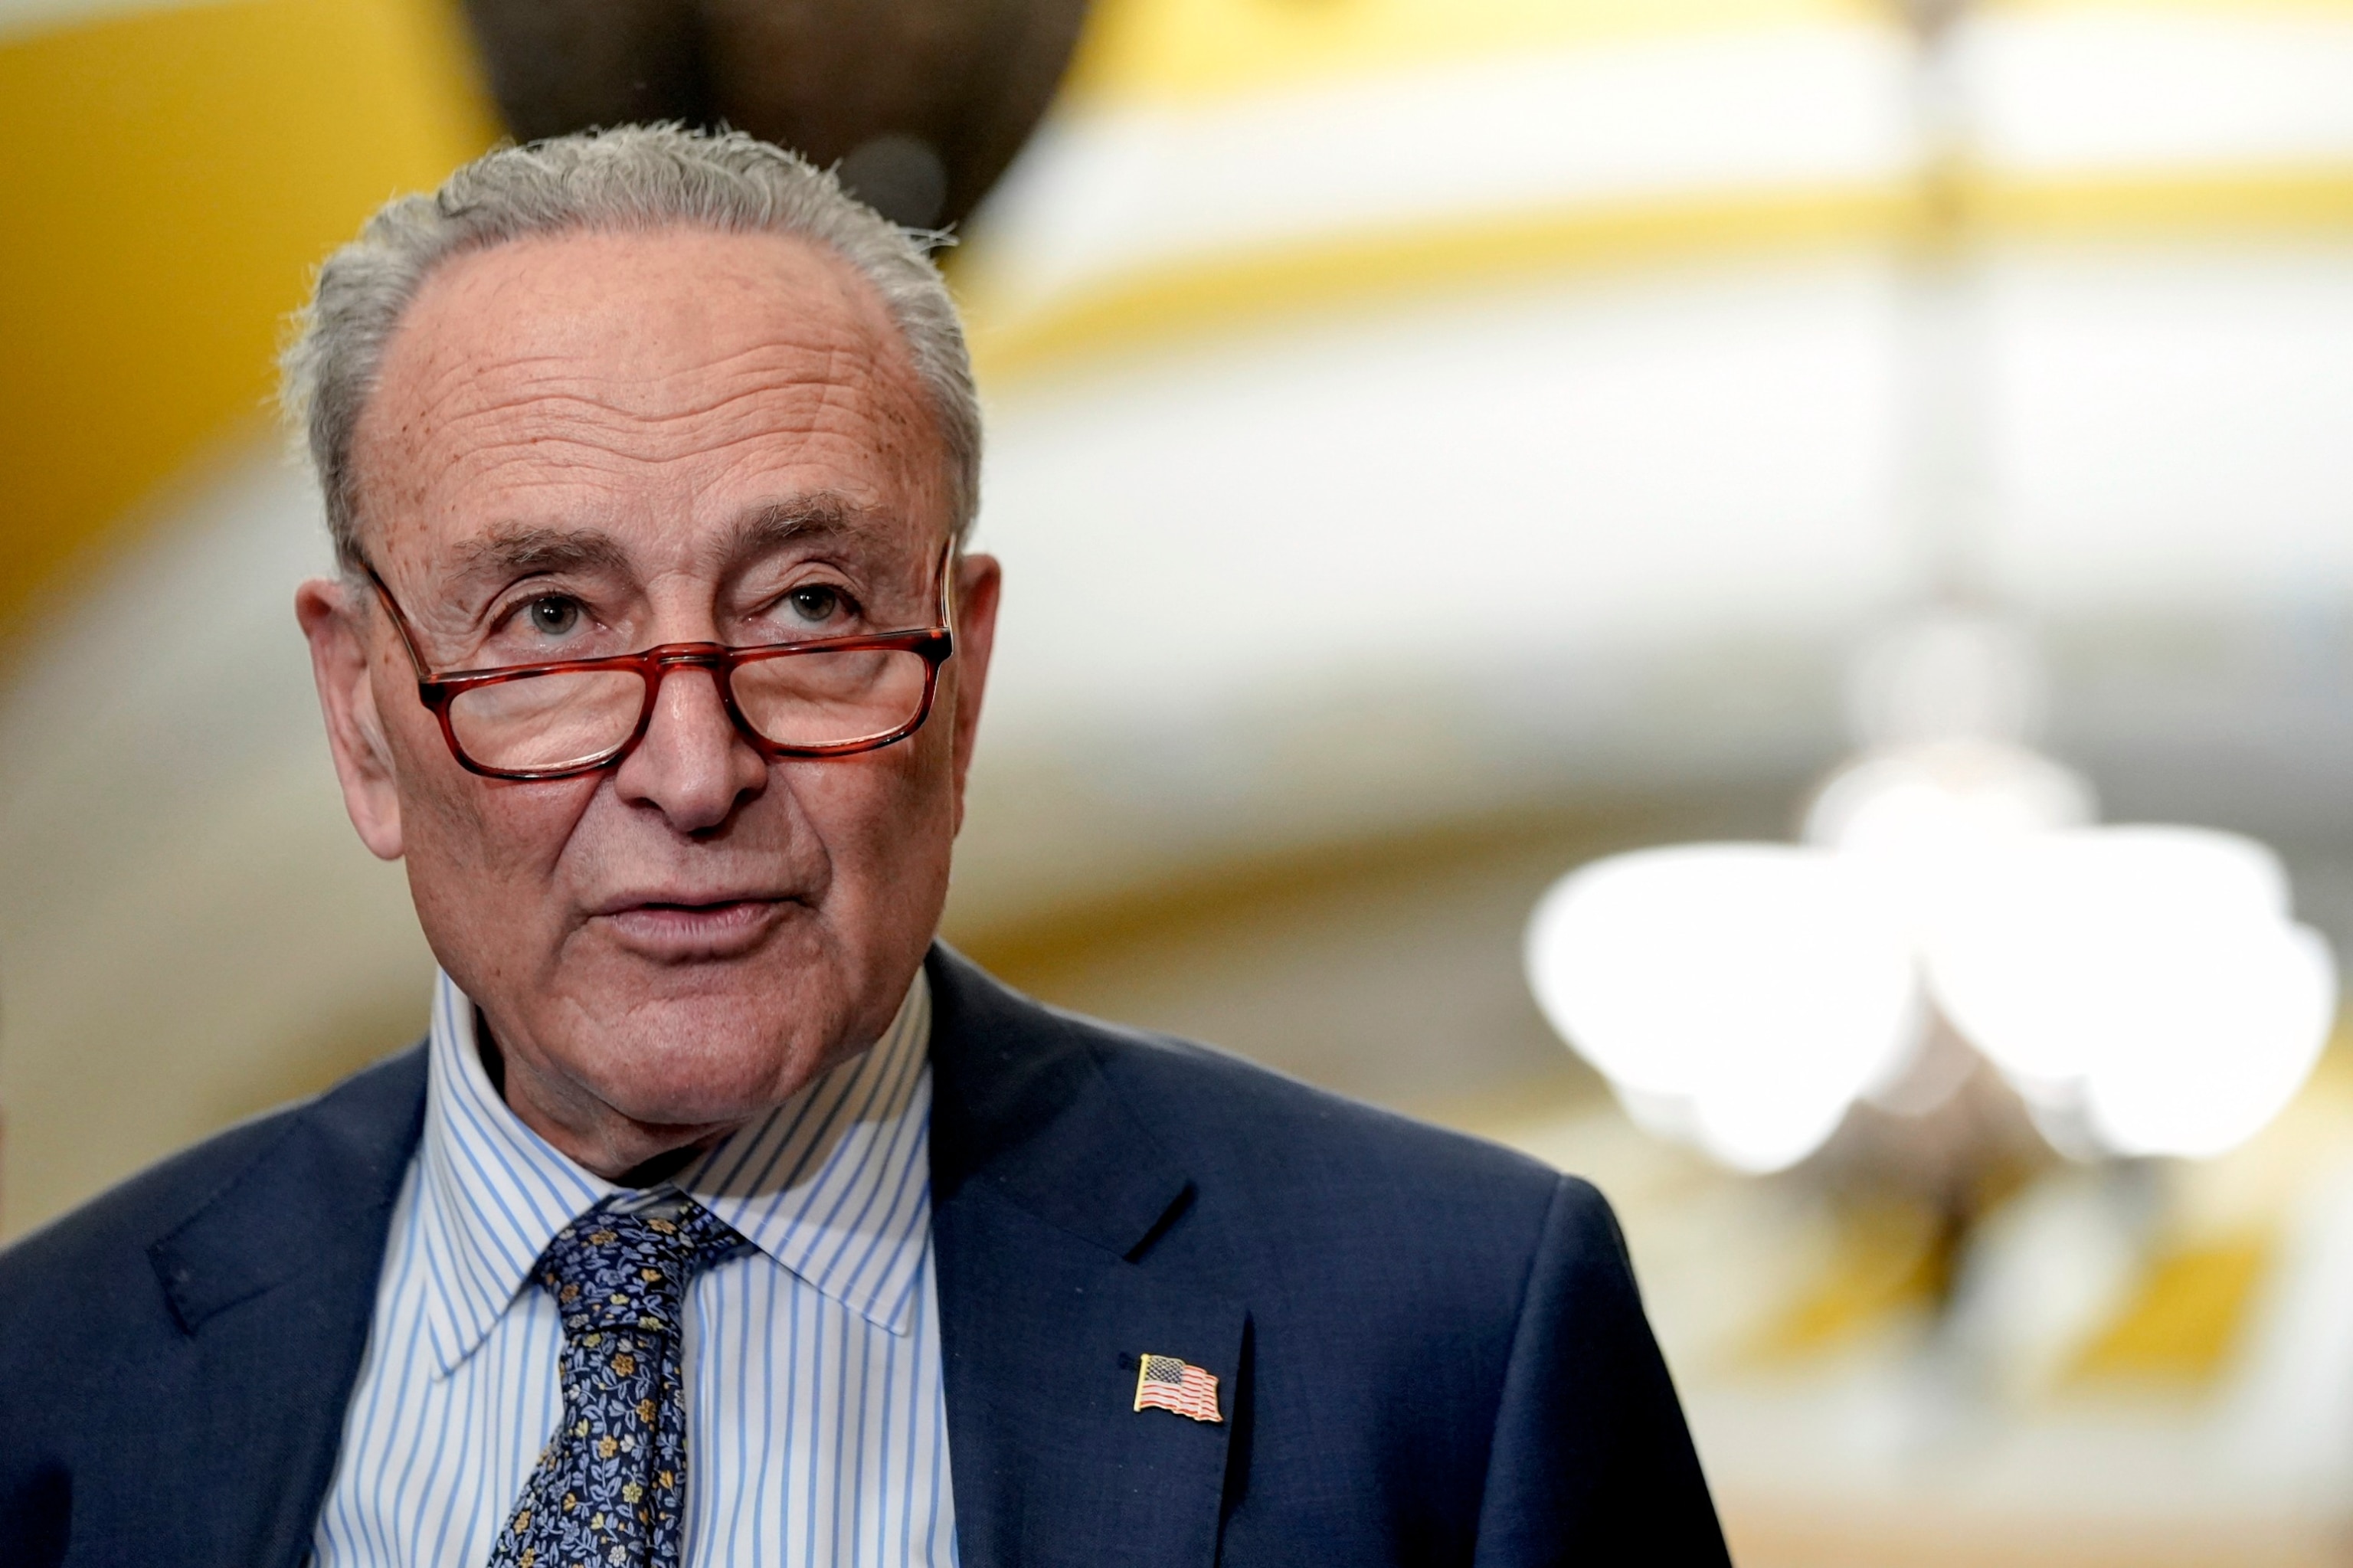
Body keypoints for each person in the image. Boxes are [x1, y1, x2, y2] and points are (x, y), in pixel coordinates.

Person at [0, 126, 1728, 1567]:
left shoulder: (1449, 1339)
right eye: (546, 620)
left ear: (961, 681)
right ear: (361, 713)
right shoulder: (53, 1388)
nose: (694, 768)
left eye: (812, 606)